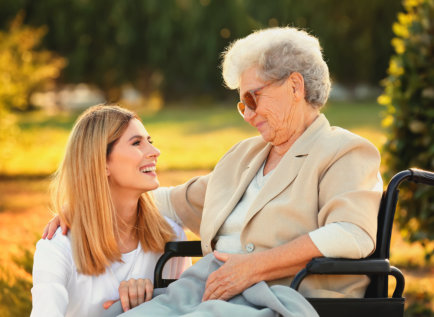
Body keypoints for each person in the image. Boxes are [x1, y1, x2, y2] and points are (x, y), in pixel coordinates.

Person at [45, 27, 383, 315]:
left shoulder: (343, 151)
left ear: (295, 87)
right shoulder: (245, 156)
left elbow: (351, 234)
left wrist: (254, 267)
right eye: (242, 105)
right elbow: (168, 202)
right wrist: (83, 206)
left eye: (253, 99)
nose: (248, 115)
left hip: (285, 299)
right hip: (209, 294)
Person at [31, 105, 189, 317]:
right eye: (136, 143)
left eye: (149, 141)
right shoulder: (58, 246)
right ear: (102, 163)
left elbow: (185, 309)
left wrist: (150, 303)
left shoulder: (170, 235)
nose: (155, 152)